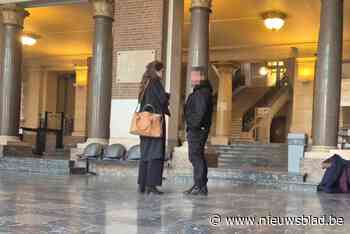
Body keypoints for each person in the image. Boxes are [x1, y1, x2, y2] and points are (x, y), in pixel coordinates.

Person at [137, 61, 170, 195]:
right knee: (156, 154)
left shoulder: (145, 83)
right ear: (156, 71)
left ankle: (142, 184)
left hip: (144, 124)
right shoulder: (155, 82)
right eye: (161, 71)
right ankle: (151, 185)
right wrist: (168, 96)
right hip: (155, 123)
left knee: (145, 154)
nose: (162, 73)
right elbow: (162, 100)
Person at [184, 68, 213, 196]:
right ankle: (200, 185)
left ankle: (200, 186)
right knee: (197, 156)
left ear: (202, 77)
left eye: (194, 76)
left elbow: (199, 113)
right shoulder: (201, 91)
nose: (192, 79)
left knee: (195, 156)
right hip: (199, 128)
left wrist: (193, 125)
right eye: (191, 76)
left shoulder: (202, 92)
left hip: (197, 130)